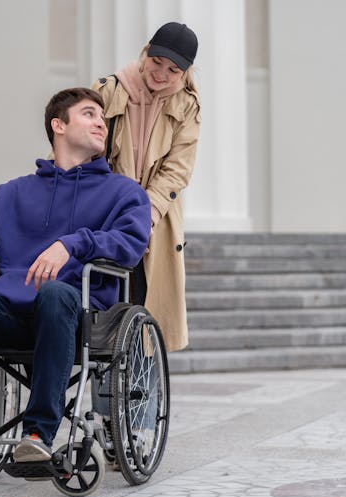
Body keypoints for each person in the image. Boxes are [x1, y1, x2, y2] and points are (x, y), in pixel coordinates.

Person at [0, 87, 152, 479]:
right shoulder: (13, 192)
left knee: (58, 292)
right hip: (9, 313)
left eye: (103, 118)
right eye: (89, 114)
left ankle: (38, 437)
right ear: (58, 126)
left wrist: (72, 243)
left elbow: (130, 245)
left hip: (76, 316)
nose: (101, 123)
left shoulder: (124, 192)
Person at [92, 21, 200, 354]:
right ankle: (102, 401)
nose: (161, 74)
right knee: (101, 304)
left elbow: (176, 170)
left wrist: (146, 213)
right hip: (102, 211)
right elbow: (80, 141)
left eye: (173, 69)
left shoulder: (187, 106)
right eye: (157, 62)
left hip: (155, 218)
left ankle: (144, 403)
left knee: (145, 308)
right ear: (146, 51)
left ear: (184, 73)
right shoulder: (108, 89)